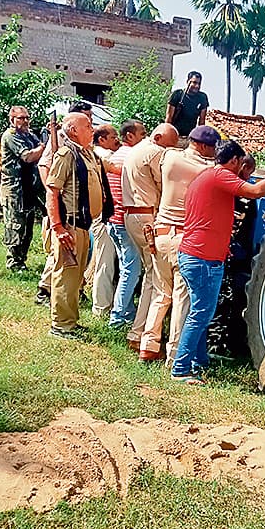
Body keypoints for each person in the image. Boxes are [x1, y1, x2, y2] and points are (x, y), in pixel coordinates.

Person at [172, 140, 265, 384]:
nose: (241, 170)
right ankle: (181, 368)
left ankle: (198, 361)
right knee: (200, 313)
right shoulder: (221, 176)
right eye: (241, 164)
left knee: (202, 312)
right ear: (235, 161)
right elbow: (257, 192)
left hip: (200, 254)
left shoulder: (206, 176)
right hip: (202, 258)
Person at [143, 125, 219, 362]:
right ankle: (176, 354)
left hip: (160, 233)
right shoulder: (207, 169)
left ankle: (148, 344)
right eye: (213, 147)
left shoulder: (170, 158)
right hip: (183, 238)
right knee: (182, 298)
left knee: (160, 293)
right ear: (205, 146)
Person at [44, 112, 106, 339]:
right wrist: (58, 228)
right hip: (69, 226)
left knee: (76, 277)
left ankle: (69, 321)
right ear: (73, 131)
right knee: (66, 276)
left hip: (83, 225)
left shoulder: (87, 154)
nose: (92, 129)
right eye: (87, 126)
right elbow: (52, 191)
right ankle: (61, 325)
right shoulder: (66, 154)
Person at [120, 123, 179, 352]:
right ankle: (142, 336)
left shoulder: (136, 150)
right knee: (157, 279)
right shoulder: (155, 152)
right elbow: (166, 183)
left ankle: (140, 333)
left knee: (151, 275)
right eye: (169, 147)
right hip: (146, 215)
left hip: (132, 214)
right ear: (158, 137)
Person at [34, 101, 96, 305]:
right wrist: (56, 197)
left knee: (73, 259)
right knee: (60, 254)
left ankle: (74, 292)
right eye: (87, 120)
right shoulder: (63, 142)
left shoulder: (85, 147)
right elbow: (45, 167)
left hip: (81, 214)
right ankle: (45, 289)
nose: (91, 124)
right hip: (64, 209)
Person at [101, 120, 146, 328]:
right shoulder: (131, 157)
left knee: (125, 266)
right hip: (123, 219)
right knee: (132, 269)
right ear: (130, 136)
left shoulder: (115, 156)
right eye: (142, 134)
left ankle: (126, 310)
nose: (145, 138)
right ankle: (118, 317)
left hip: (112, 219)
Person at [0, 106, 46, 272]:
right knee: (15, 225)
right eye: (21, 118)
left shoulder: (29, 135)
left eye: (26, 117)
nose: (25, 121)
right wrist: (42, 147)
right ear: (12, 120)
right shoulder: (10, 136)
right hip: (14, 188)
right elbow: (28, 156)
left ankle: (22, 259)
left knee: (27, 226)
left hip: (29, 187)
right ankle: (13, 262)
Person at [87, 124, 122, 318]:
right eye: (113, 137)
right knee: (105, 261)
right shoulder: (103, 155)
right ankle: (101, 308)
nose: (117, 140)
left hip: (104, 214)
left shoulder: (97, 153)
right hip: (104, 215)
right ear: (102, 140)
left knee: (104, 260)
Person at [166, 71, 208, 138]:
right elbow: (169, 117)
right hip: (174, 135)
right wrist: (167, 135)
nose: (197, 86)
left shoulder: (202, 97)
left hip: (189, 136)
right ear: (187, 81)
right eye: (194, 83)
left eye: (199, 83)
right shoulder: (177, 94)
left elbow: (202, 121)